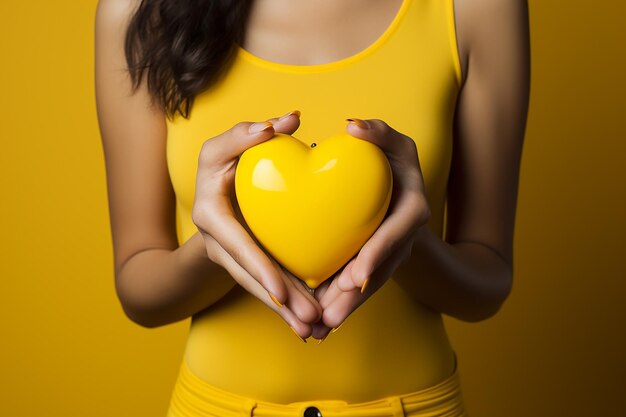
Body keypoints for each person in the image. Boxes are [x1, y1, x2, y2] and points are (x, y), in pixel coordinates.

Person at [95, 0, 530, 415]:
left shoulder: (476, 7)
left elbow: (487, 281)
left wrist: (405, 242)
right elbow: (138, 287)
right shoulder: (140, 11)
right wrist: (217, 246)